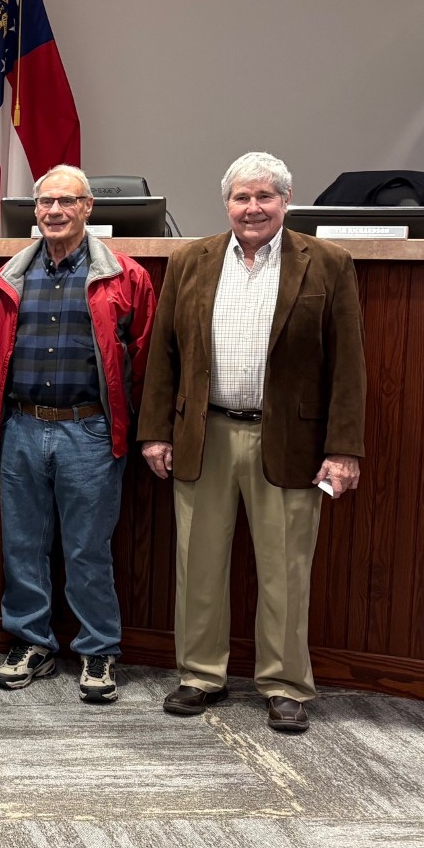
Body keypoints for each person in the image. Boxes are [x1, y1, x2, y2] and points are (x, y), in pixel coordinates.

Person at [139, 151, 366, 734]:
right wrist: (156, 432)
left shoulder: (329, 264)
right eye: (242, 197)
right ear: (227, 203)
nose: (253, 207)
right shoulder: (190, 260)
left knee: (287, 567)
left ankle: (285, 684)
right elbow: (164, 355)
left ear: (286, 202)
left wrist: (343, 449)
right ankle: (198, 675)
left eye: (265, 196)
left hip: (287, 439)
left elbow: (348, 367)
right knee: (198, 562)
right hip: (204, 433)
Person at [0, 164, 154, 704]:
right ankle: (32, 641)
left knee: (86, 548)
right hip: (22, 428)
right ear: (33, 211)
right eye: (45, 203)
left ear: (88, 208)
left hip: (90, 433)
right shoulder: (9, 276)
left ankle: (98, 647)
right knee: (23, 545)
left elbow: (142, 358)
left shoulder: (126, 277)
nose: (54, 211)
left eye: (66, 202)